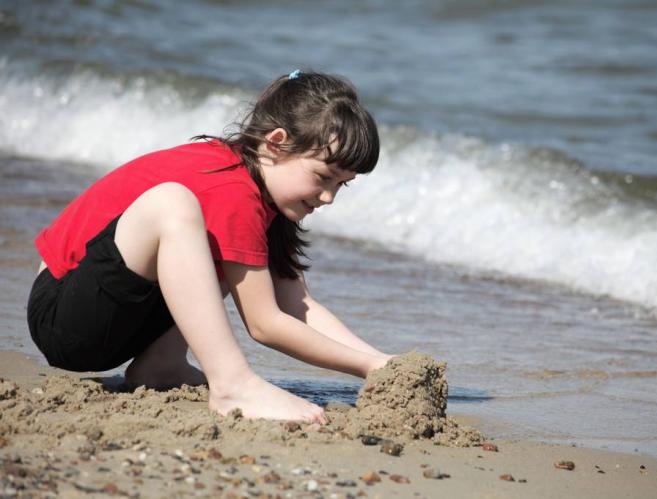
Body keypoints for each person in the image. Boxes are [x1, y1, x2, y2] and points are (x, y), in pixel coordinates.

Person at [26, 70, 394, 424]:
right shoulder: (231, 187)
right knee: (173, 203)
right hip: (63, 314)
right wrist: (362, 365)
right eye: (323, 177)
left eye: (341, 185)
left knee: (227, 249)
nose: (328, 197)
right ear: (276, 143)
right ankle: (232, 385)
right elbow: (265, 324)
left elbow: (297, 305)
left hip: (114, 313)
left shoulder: (270, 201)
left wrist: (380, 363)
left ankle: (162, 364)